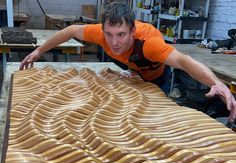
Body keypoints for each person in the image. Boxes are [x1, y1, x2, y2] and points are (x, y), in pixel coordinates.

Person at [20, 2, 236, 122]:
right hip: (132, 66)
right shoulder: (101, 34)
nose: (114, 42)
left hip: (155, 75)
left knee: (151, 114)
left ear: (132, 31)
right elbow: (70, 30)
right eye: (109, 34)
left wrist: (214, 82)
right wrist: (38, 51)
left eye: (121, 34)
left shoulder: (149, 43)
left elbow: (183, 61)